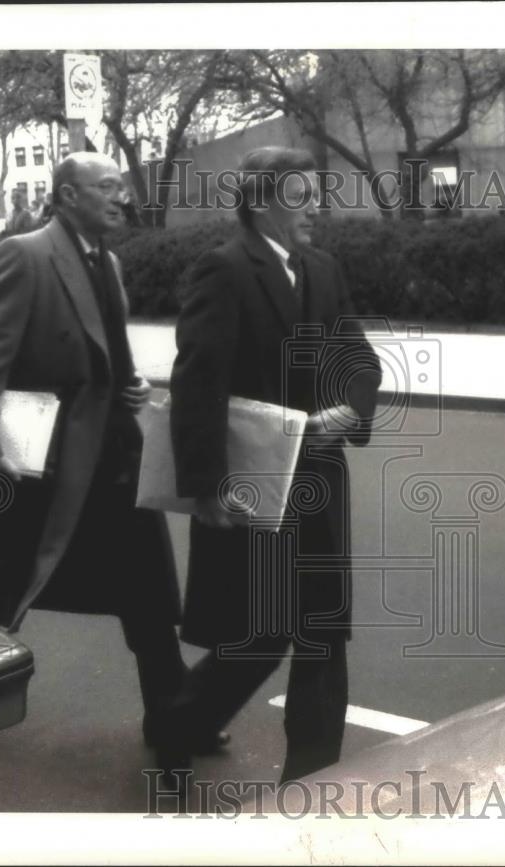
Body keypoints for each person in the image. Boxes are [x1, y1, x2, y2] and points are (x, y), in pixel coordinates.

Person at [0, 152, 187, 769]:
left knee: (149, 595)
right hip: (45, 470)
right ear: (67, 195)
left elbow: (106, 356)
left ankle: (172, 722)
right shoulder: (25, 256)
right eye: (106, 188)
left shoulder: (107, 261)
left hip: (112, 464)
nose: (121, 198)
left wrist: (129, 390)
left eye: (121, 188)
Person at [166, 146, 382, 782]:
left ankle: (312, 779)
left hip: (320, 479)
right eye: (301, 194)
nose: (316, 205)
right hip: (255, 485)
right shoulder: (225, 270)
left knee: (321, 630)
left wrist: (351, 413)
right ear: (262, 202)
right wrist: (204, 489)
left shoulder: (322, 268)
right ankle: (181, 724)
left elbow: (360, 361)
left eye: (317, 192)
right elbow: (197, 384)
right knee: (257, 634)